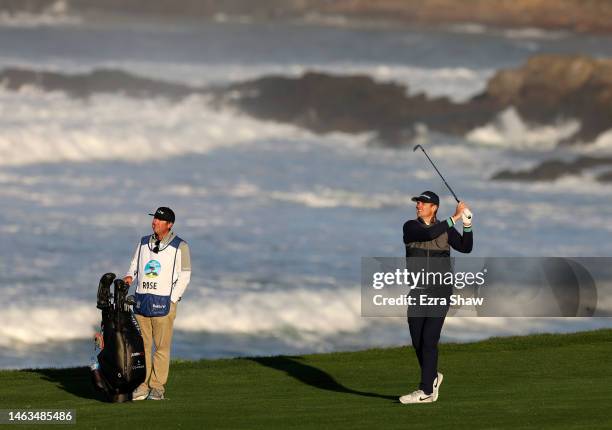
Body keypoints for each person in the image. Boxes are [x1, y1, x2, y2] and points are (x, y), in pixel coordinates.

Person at [399, 191, 473, 404]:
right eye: (417, 203)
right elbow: (429, 234)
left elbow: (466, 248)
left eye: (423, 203)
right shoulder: (410, 227)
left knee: (429, 340)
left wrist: (467, 225)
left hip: (440, 291)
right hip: (417, 291)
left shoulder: (446, 230)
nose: (418, 205)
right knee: (417, 342)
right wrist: (455, 217)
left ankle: (426, 391)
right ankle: (432, 377)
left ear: (434, 208)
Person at [123, 207, 191, 401]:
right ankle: (142, 385)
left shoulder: (180, 246)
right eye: (154, 219)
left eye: (160, 220)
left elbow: (185, 276)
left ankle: (157, 386)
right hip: (142, 301)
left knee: (161, 348)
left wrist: (172, 299)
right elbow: (135, 265)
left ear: (169, 225)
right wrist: (129, 277)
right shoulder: (144, 241)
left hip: (164, 303)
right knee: (142, 346)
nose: (155, 222)